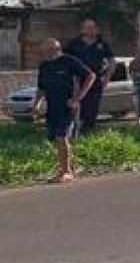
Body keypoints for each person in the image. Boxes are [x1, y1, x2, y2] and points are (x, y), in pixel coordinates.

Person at [33, 37, 95, 183]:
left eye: (49, 50)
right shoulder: (44, 66)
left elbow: (90, 76)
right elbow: (41, 87)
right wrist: (36, 104)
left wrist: (77, 98)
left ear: (56, 49)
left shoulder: (69, 61)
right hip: (52, 107)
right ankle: (68, 167)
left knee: (61, 137)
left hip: (68, 107)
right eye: (44, 51)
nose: (46, 53)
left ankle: (66, 172)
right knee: (56, 139)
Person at [62, 17, 113, 136]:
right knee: (76, 109)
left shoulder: (102, 44)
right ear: (82, 29)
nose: (91, 30)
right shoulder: (74, 44)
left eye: (93, 27)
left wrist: (107, 77)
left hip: (96, 81)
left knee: (92, 109)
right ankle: (72, 134)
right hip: (78, 81)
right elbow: (64, 59)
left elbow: (112, 61)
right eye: (88, 27)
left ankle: (88, 134)